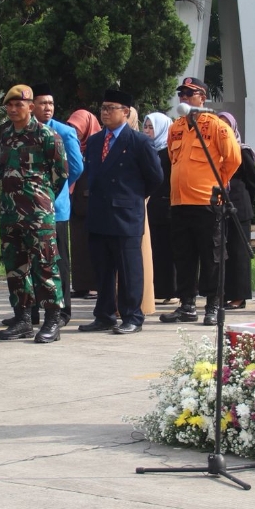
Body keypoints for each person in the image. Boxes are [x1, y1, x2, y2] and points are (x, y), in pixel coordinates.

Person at [77, 90, 163, 335]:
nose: (105, 112)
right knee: (102, 270)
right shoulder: (94, 141)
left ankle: (132, 316)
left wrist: (132, 197)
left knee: (129, 270)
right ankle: (104, 315)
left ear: (125, 112)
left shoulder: (139, 142)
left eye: (111, 108)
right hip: (99, 214)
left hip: (125, 215)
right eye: (103, 107)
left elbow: (155, 178)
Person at [159, 76, 241, 326]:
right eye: (181, 93)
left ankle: (213, 305)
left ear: (202, 97)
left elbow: (233, 159)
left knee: (212, 257)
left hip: (207, 201)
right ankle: (186, 305)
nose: (183, 97)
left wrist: (218, 184)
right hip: (180, 202)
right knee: (184, 256)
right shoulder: (176, 127)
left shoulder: (216, 126)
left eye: (189, 93)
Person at [0, 84, 68, 343]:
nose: (14, 109)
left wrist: (40, 199)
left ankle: (51, 320)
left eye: (19, 105)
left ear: (31, 106)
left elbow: (60, 174)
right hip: (9, 215)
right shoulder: (4, 135)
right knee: (15, 268)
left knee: (45, 266)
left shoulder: (46, 135)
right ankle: (23, 319)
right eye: (10, 105)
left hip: (38, 215)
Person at [30, 83, 83, 327]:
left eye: (51, 103)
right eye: (43, 103)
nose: (48, 107)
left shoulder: (63, 131)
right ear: (32, 106)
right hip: (26, 209)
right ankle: (30, 311)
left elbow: (76, 167)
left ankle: (62, 312)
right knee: (30, 260)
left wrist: (54, 189)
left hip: (55, 208)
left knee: (58, 260)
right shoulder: (24, 131)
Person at [219, 112, 255, 310]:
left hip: (238, 207)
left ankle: (239, 297)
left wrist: (242, 201)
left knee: (238, 252)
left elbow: (253, 182)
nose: (223, 128)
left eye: (226, 124)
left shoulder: (242, 151)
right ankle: (222, 294)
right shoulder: (213, 150)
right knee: (220, 252)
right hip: (218, 206)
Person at [66, 109, 102, 299]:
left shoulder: (98, 144)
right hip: (76, 202)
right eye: (71, 126)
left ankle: (94, 285)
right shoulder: (72, 145)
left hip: (93, 202)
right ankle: (80, 285)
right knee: (78, 245)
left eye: (78, 127)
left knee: (92, 246)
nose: (75, 131)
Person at [142, 112, 174, 303]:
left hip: (166, 205)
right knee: (155, 250)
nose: (146, 131)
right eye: (145, 127)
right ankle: (159, 290)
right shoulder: (147, 150)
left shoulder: (168, 151)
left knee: (168, 250)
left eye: (151, 127)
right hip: (151, 206)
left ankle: (172, 290)